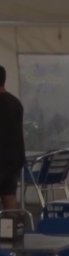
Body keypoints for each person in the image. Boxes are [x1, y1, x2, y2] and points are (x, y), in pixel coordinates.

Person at [0, 65, 24, 210]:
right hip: (14, 160)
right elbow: (20, 132)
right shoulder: (16, 103)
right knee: (9, 196)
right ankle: (14, 229)